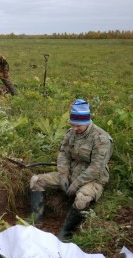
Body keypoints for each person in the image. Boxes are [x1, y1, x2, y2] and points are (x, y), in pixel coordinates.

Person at [28, 99, 113, 241]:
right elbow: (63, 155)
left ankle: (65, 233)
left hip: (93, 179)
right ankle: (36, 219)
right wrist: (63, 176)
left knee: (81, 199)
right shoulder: (71, 133)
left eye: (77, 125)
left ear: (87, 121)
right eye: (72, 124)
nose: (74, 128)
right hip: (71, 173)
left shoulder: (101, 139)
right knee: (36, 180)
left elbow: (96, 168)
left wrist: (76, 184)